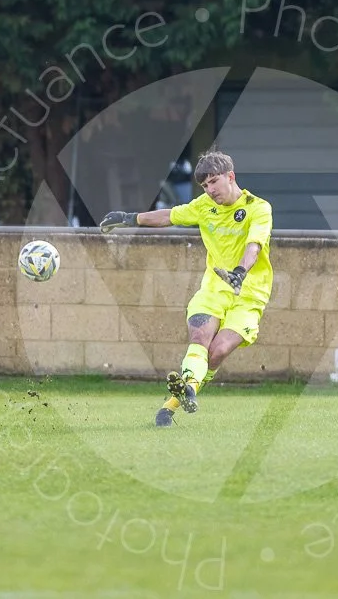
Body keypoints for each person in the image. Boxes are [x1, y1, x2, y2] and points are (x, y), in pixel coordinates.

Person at [99, 148, 273, 427]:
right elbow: (169, 216)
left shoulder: (258, 207)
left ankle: (172, 404)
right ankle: (188, 389)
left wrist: (239, 272)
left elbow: (254, 245)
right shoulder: (204, 206)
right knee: (200, 337)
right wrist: (130, 218)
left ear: (231, 176)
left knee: (218, 351)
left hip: (250, 294)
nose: (210, 190)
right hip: (214, 289)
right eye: (204, 185)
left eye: (214, 182)